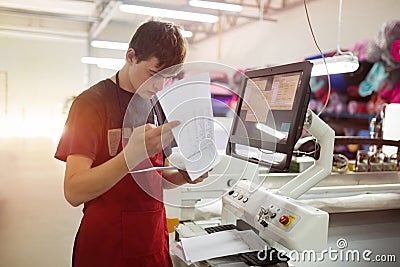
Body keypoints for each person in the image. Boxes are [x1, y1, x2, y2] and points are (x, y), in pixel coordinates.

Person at [55, 20, 208, 267]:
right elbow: (74, 191)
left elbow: (157, 177)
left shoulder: (158, 104)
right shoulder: (91, 104)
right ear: (130, 56)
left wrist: (183, 176)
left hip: (152, 241)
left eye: (167, 78)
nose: (158, 85)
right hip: (107, 246)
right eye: (152, 75)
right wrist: (130, 156)